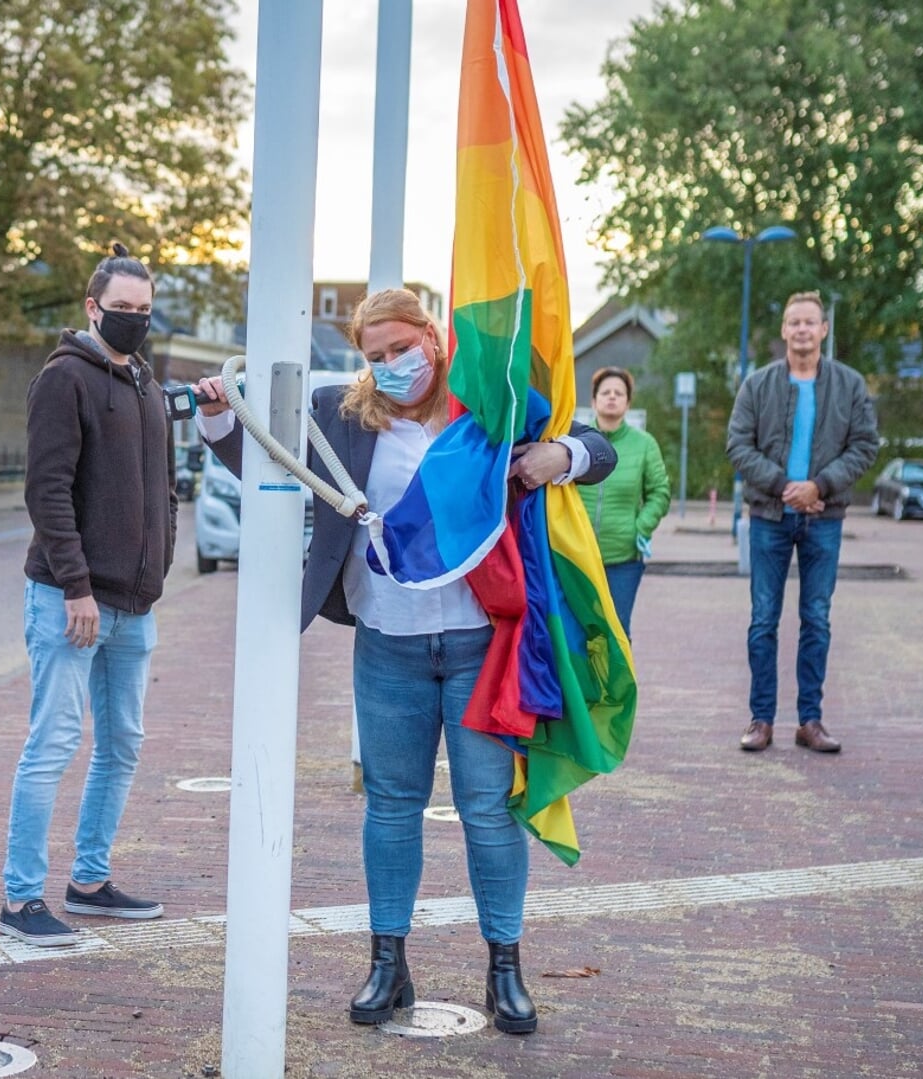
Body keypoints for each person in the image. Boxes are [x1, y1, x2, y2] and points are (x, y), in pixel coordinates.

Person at [195, 288, 616, 1035]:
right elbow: (260, 452)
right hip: (386, 642)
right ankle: (387, 963)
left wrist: (561, 453)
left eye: (400, 348)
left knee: (489, 809)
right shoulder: (341, 412)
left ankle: (504, 968)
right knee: (391, 804)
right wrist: (215, 413)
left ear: (431, 335)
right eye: (375, 355)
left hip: (478, 644)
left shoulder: (484, 405)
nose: (390, 365)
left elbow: (596, 450)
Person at [0, 244, 176, 947]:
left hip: (135, 602)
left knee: (123, 742)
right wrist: (75, 586)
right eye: (120, 308)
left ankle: (91, 880)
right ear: (91, 307)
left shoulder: (144, 381)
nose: (132, 319)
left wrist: (156, 566)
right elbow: (46, 490)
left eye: (142, 309)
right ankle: (20, 898)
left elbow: (158, 481)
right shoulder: (64, 378)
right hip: (71, 601)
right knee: (54, 741)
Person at [726, 291, 879, 754]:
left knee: (816, 619)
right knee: (763, 621)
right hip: (770, 517)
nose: (802, 330)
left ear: (824, 329)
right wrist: (784, 486)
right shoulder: (757, 385)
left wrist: (820, 486)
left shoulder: (850, 385)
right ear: (784, 330)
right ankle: (761, 719)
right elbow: (738, 445)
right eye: (794, 322)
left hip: (824, 519)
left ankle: (810, 721)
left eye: (810, 322)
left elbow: (865, 445)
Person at [576, 367, 670, 633]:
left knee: (616, 632)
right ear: (593, 401)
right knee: (579, 633)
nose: (612, 397)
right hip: (577, 556)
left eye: (619, 393)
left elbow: (659, 492)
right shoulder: (574, 442)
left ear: (628, 403)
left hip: (623, 561)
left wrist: (640, 528)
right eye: (605, 392)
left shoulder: (645, 444)